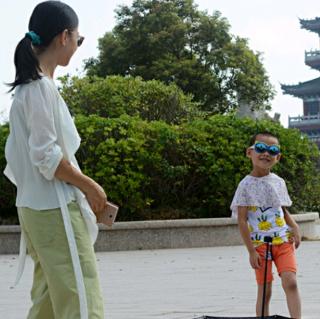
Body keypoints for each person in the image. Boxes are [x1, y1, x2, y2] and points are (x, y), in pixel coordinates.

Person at [4, 1, 105, 318]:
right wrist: (91, 187)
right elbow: (48, 158)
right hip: (55, 209)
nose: (77, 45)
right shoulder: (39, 89)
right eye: (79, 38)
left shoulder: (25, 91)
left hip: (35, 210)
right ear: (64, 36)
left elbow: (19, 161)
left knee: (48, 300)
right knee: (81, 300)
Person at [230, 132, 302, 319]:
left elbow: (282, 209)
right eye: (261, 148)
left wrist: (294, 226)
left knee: (291, 282)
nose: (266, 154)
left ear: (277, 157)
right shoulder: (245, 185)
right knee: (265, 290)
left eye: (273, 150)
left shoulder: (279, 182)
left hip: (283, 241)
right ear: (249, 152)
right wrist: (251, 251)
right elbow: (242, 220)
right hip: (260, 245)